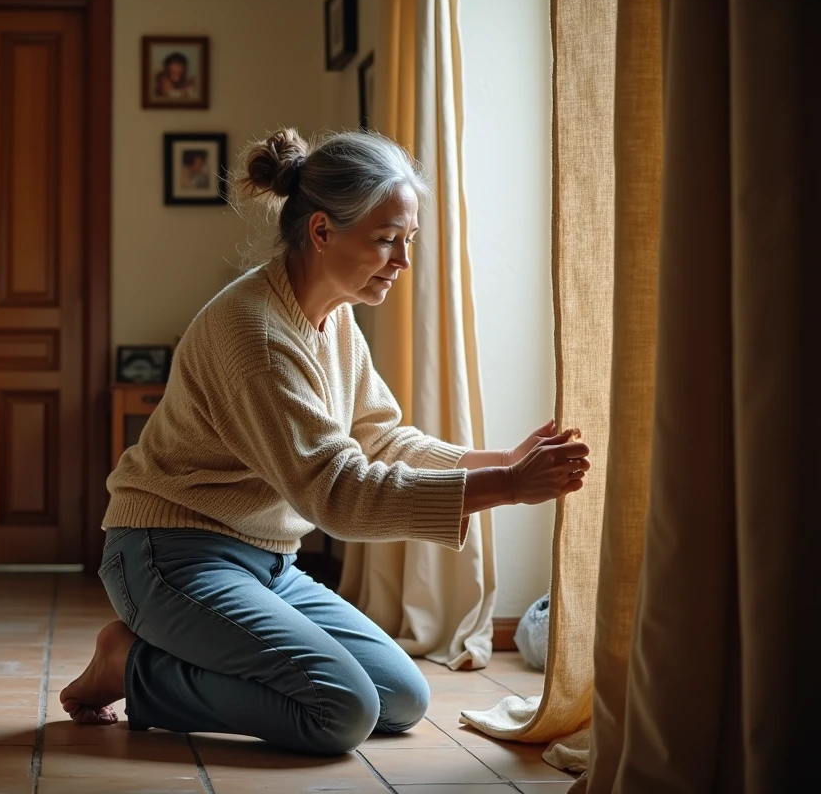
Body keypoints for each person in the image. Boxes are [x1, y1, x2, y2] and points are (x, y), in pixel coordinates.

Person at [60, 128, 591, 756]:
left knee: (400, 699)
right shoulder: (257, 334)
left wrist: (506, 461)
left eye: (408, 241)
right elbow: (337, 495)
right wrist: (505, 487)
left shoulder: (331, 316)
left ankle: (172, 655)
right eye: (388, 241)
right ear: (321, 232)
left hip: (266, 561)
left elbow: (377, 436)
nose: (402, 261)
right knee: (340, 711)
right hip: (168, 555)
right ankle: (131, 668)